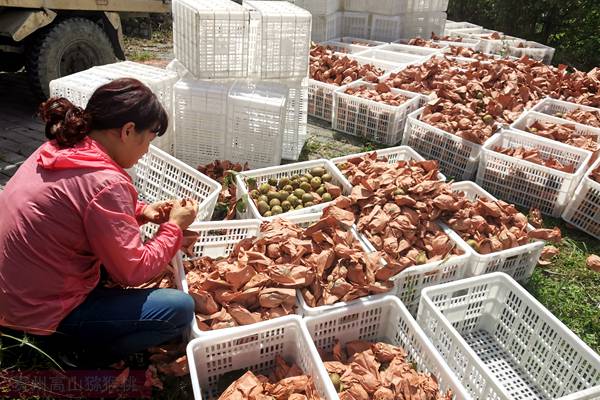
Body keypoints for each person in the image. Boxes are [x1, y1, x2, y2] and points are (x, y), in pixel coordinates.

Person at [0, 78, 197, 365]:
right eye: (148, 141)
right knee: (178, 309)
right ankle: (77, 358)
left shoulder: (60, 148)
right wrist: (173, 227)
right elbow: (133, 272)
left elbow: (78, 210)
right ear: (128, 131)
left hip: (13, 297)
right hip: (39, 316)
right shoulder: (105, 182)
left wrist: (141, 212)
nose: (146, 152)